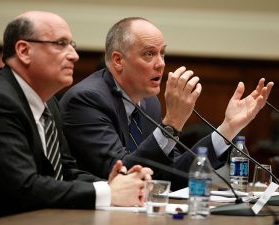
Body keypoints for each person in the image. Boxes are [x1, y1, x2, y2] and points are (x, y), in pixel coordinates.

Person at [59, 17, 273, 191]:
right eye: (149, 54)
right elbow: (124, 174)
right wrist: (172, 123)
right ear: (118, 60)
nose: (160, 63)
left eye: (162, 53)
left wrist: (228, 128)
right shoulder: (87, 100)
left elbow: (171, 173)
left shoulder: (149, 102)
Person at [0, 12, 153, 221]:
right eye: (60, 44)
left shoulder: (48, 101)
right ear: (24, 51)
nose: (74, 55)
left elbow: (66, 171)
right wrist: (109, 193)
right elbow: (24, 186)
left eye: (72, 44)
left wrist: (115, 183)